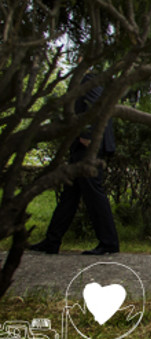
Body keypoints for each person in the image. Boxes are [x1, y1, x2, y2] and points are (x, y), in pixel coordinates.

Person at [28, 70, 120, 256]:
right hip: (82, 147)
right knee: (70, 194)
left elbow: (95, 105)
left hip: (89, 147)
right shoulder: (91, 78)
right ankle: (52, 241)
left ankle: (109, 243)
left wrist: (87, 136)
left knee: (93, 193)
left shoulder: (90, 78)